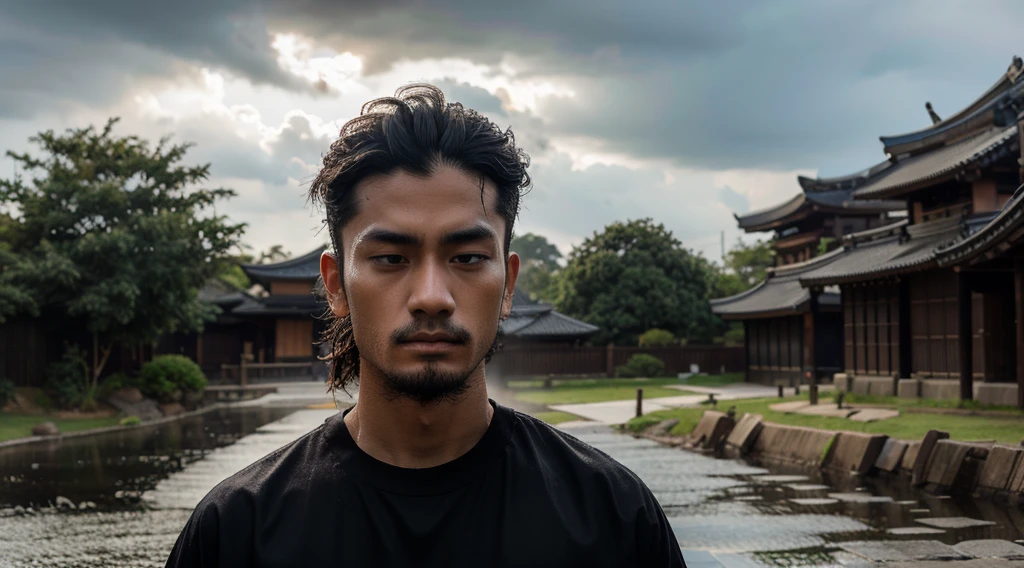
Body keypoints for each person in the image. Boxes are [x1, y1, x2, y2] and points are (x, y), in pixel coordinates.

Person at [165, 84, 685, 567]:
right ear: (335, 285)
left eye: (467, 258)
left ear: (507, 283)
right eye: (391, 258)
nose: (431, 298)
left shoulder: (613, 517)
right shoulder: (237, 532)